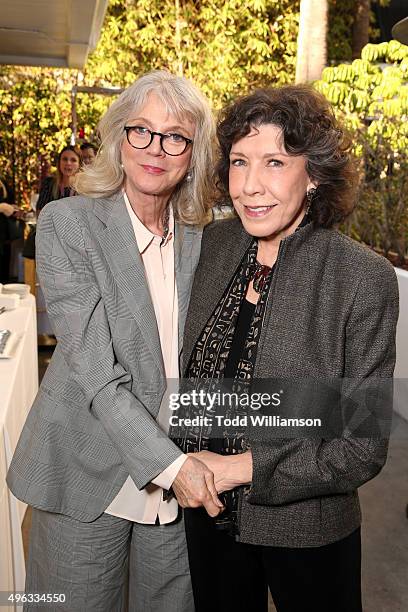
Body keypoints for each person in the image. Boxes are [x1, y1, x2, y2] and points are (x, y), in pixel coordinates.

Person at [174, 86, 399, 612]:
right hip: (207, 519)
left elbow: (362, 447)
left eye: (274, 162)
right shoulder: (216, 245)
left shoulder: (360, 277)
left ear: (313, 174)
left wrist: (237, 468)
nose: (250, 186)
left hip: (308, 533)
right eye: (239, 162)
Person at [7, 70, 222, 611]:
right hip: (89, 468)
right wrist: (175, 468)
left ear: (193, 153)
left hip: (180, 478)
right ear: (118, 137)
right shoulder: (68, 224)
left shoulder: (204, 237)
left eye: (175, 136)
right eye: (140, 130)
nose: (155, 148)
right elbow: (96, 372)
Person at [36, 145, 81, 214]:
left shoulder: (84, 189)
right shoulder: (48, 183)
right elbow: (40, 213)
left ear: (79, 165)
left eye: (73, 160)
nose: (68, 163)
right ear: (59, 162)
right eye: (65, 159)